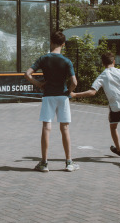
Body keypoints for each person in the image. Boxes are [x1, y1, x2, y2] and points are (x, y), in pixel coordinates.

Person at [24, 31, 79, 172]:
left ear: (51, 42)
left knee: (46, 128)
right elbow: (74, 82)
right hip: (62, 96)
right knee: (65, 129)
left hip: (48, 96)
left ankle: (44, 163)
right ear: (63, 44)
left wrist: (39, 84)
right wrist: (68, 92)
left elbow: (27, 74)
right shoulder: (67, 61)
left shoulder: (44, 58)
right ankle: (69, 163)